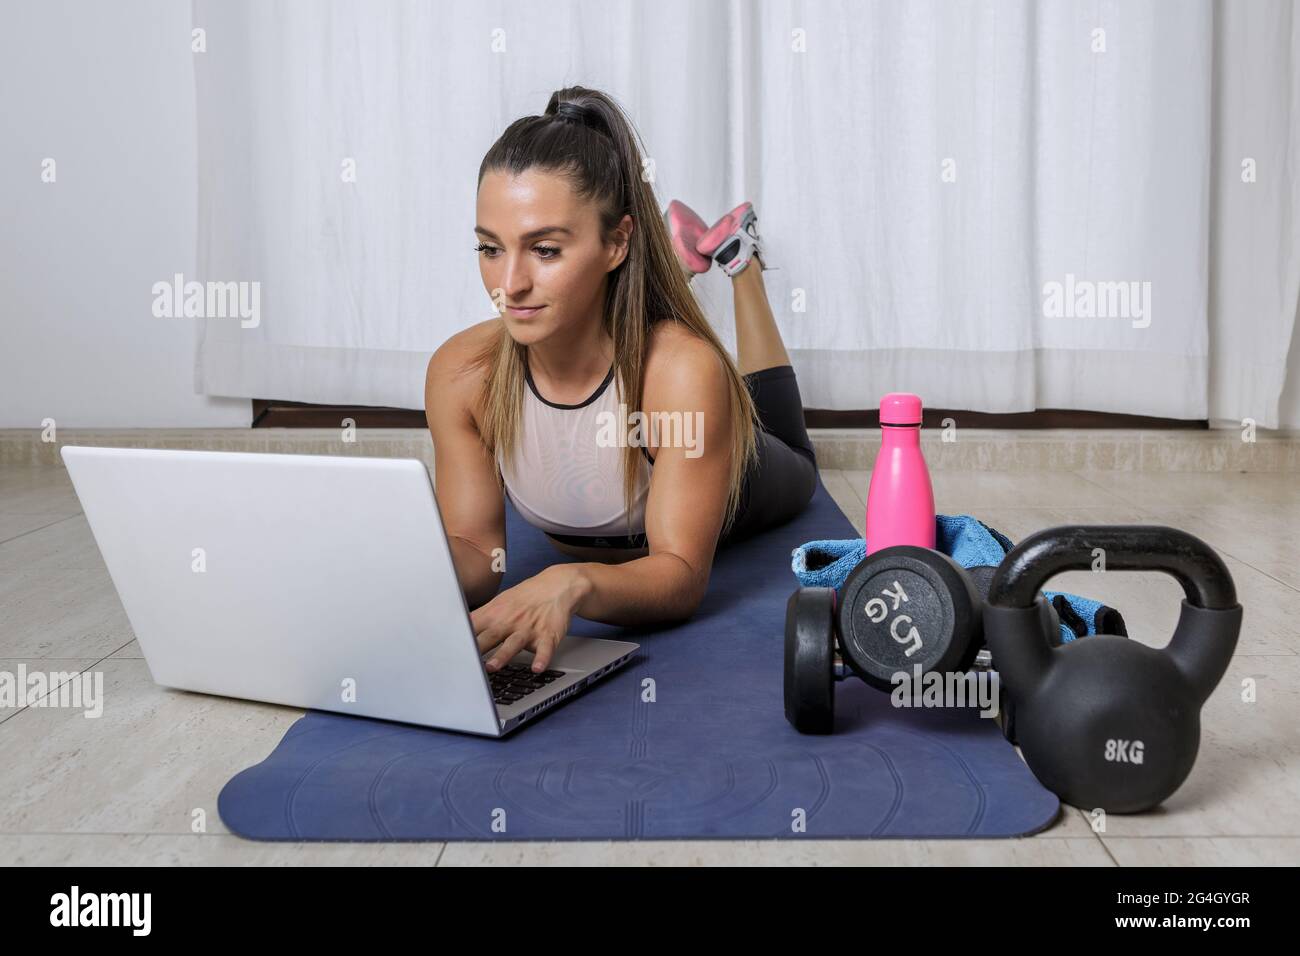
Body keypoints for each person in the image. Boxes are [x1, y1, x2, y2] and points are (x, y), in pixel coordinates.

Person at [424, 85, 817, 676]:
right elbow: (481, 554)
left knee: (786, 436)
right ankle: (679, 268)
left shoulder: (681, 375)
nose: (510, 284)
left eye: (546, 250)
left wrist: (575, 581)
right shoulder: (461, 374)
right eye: (489, 247)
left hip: (753, 470)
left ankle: (740, 261)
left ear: (617, 242)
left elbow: (679, 574)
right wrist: (388, 565)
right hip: (646, 360)